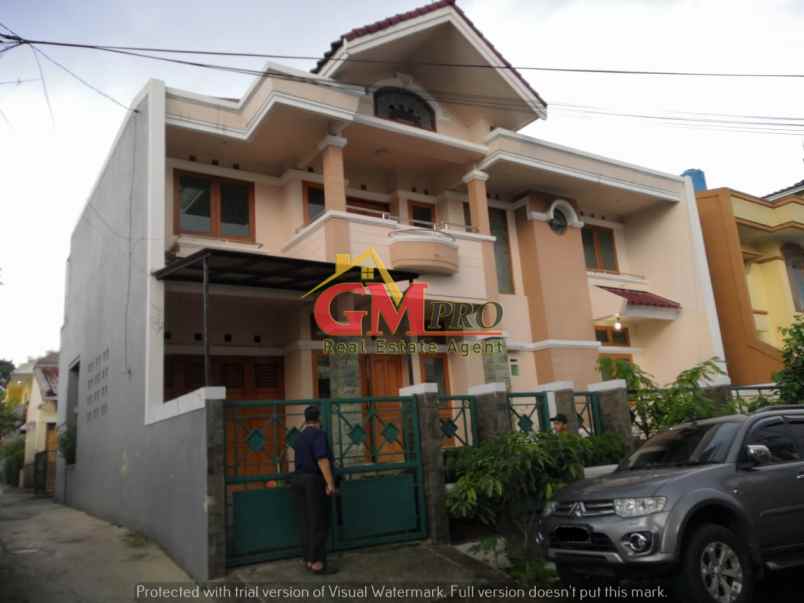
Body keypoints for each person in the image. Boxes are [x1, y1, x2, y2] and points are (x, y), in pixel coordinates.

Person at [292, 405, 337, 575]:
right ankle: (317, 562)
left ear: (306, 419)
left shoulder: (299, 437)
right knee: (319, 522)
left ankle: (309, 560)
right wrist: (330, 483)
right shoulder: (319, 435)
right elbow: (322, 460)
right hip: (313, 482)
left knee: (305, 521)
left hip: (298, 481)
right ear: (319, 419)